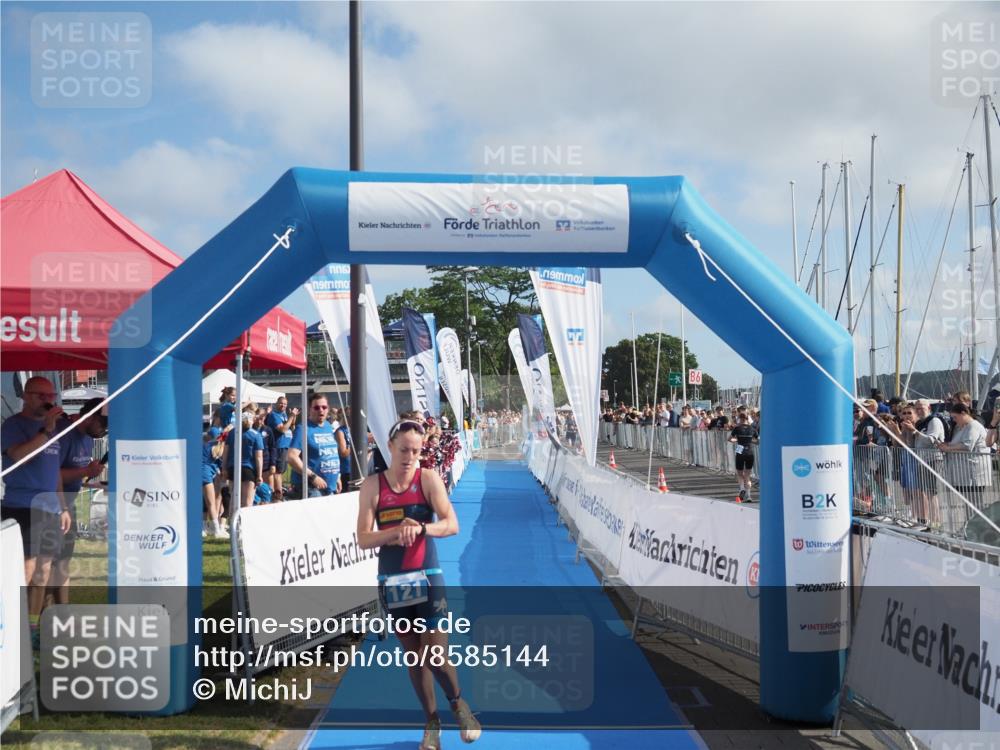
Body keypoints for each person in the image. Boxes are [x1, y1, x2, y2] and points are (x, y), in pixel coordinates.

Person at [356, 418, 481, 749]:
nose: (411, 456)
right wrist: (396, 533)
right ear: (390, 445)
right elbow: (363, 538)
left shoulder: (428, 479)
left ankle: (458, 704)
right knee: (414, 658)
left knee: (436, 656)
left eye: (417, 450)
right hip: (392, 580)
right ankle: (431, 724)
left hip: (427, 577)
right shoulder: (372, 486)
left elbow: (452, 524)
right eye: (405, 450)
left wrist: (422, 529)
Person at [1, 377, 69, 646]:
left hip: (50, 507)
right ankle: (12, 628)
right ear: (26, 396)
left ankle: (31, 629)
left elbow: (55, 473)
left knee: (43, 571)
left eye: (50, 394)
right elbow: (18, 455)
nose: (47, 400)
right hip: (23, 506)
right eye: (41, 395)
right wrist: (46, 430)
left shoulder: (56, 430)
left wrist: (63, 506)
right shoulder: (14, 425)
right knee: (25, 569)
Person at [53, 398, 108, 602]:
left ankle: (63, 610)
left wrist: (89, 477)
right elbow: (52, 474)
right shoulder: (64, 433)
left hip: (69, 503)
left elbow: (76, 475)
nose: (104, 432)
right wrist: (85, 470)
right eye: (103, 425)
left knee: (64, 561)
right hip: (52, 505)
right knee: (47, 564)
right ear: (91, 417)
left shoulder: (88, 438)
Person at [939, 402, 991, 515]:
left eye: (955, 417)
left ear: (963, 413)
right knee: (969, 503)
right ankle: (971, 525)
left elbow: (967, 446)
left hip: (974, 474)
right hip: (964, 473)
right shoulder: (962, 427)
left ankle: (978, 528)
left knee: (975, 503)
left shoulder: (973, 426)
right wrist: (946, 445)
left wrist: (948, 448)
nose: (954, 420)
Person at [288, 394, 342, 497]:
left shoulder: (327, 426)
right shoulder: (303, 428)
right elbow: (291, 457)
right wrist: (313, 477)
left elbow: (331, 452)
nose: (321, 410)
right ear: (310, 409)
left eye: (324, 407)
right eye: (316, 407)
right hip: (311, 488)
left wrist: (337, 477)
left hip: (329, 486)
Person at [222, 411, 264, 509]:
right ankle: (243, 523)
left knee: (234, 499)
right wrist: (259, 475)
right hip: (248, 470)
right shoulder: (256, 435)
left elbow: (225, 452)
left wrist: (224, 468)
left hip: (233, 468)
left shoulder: (232, 432)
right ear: (252, 421)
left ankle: (232, 522)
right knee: (247, 502)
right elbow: (259, 457)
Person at [266, 397, 298, 501]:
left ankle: (278, 493)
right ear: (276, 403)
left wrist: (293, 418)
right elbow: (283, 429)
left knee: (282, 471)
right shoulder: (274, 415)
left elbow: (291, 428)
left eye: (285, 404)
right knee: (278, 472)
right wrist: (291, 417)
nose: (283, 405)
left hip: (286, 446)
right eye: (281, 403)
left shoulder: (284, 415)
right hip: (278, 446)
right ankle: (278, 495)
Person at [728, 413, 759, 502]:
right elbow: (757, 441)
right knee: (748, 475)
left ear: (740, 419)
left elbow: (729, 439)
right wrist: (750, 441)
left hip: (740, 452)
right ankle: (749, 496)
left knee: (740, 473)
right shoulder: (752, 429)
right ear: (747, 418)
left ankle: (742, 488)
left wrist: (737, 440)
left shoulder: (737, 428)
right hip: (749, 452)